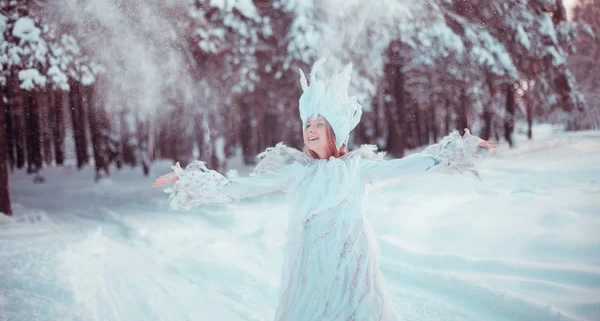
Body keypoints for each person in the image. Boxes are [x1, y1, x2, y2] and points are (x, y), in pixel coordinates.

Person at [153, 58, 496, 320]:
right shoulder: (295, 172)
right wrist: (190, 180)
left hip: (352, 265)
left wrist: (456, 149)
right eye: (307, 124)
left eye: (320, 124)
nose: (311, 130)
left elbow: (406, 165)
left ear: (337, 131)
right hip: (310, 271)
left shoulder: (356, 169)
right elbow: (239, 188)